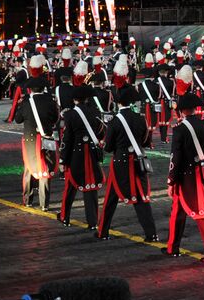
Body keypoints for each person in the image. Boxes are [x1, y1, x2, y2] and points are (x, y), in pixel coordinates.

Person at [96, 85, 159, 242]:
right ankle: (151, 234)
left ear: (119, 103)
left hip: (120, 163)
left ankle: (102, 231)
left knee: (110, 199)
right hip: (138, 161)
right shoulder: (141, 118)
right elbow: (145, 140)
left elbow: (109, 147)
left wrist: (104, 142)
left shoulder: (115, 121)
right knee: (142, 199)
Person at [166, 93, 204, 262]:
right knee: (185, 212)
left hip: (186, 177)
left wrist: (170, 180)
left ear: (181, 111)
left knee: (196, 214)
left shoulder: (179, 129)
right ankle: (175, 247)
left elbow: (175, 158)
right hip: (200, 172)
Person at [58, 85, 105, 229]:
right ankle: (92, 222)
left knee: (70, 187)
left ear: (74, 99)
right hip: (91, 153)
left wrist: (62, 159)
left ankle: (65, 216)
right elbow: (101, 132)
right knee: (91, 189)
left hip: (75, 155)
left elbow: (67, 139)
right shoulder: (95, 112)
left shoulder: (70, 115)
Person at [21, 55, 59, 209]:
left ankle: (28, 200)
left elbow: (17, 119)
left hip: (30, 138)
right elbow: (55, 118)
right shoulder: (49, 100)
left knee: (29, 168)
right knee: (46, 169)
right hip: (47, 137)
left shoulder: (26, 101)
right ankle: (44, 203)